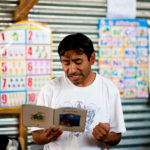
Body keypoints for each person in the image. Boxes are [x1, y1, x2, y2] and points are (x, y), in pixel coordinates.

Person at [31, 33, 126, 150]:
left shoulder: (109, 89)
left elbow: (116, 137)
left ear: (92, 59)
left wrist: (105, 137)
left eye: (78, 62)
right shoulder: (49, 89)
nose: (71, 70)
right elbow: (36, 135)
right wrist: (46, 136)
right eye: (66, 62)